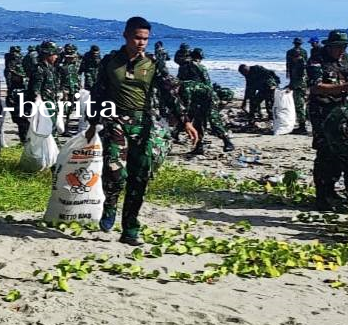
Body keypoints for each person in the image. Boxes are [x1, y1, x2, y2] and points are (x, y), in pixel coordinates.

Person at [86, 17, 197, 245]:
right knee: (115, 172)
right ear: (126, 35)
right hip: (114, 120)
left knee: (140, 177)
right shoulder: (110, 61)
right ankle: (110, 204)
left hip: (143, 123)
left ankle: (130, 230)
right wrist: (92, 123)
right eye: (137, 37)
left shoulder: (153, 64)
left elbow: (169, 92)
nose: (141, 43)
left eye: (145, 39)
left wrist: (185, 121)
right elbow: (98, 93)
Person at [308, 30, 348, 209]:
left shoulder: (346, 59)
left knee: (341, 150)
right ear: (329, 46)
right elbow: (315, 87)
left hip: (342, 110)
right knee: (325, 152)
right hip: (322, 111)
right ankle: (322, 194)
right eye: (338, 47)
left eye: (344, 47)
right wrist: (343, 87)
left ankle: (332, 191)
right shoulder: (317, 59)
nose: (341, 51)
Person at [179, 79, 234, 157]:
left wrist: (186, 119)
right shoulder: (179, 88)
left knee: (214, 121)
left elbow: (186, 105)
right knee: (198, 123)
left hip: (210, 99)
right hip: (199, 102)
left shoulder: (185, 89)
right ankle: (199, 147)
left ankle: (227, 142)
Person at [28, 41, 62, 135]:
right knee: (47, 131)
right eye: (55, 54)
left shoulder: (50, 68)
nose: (56, 57)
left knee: (52, 129)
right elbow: (36, 90)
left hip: (52, 103)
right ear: (49, 54)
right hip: (45, 106)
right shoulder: (39, 69)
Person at [4, 45, 30, 142]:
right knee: (21, 123)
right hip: (16, 102)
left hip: (22, 104)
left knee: (24, 123)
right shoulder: (11, 65)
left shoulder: (24, 84)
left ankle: (24, 140)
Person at [285, 37, 309, 134]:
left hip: (298, 82)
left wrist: (289, 76)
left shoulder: (290, 52)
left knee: (298, 104)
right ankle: (304, 123)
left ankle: (302, 126)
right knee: (304, 103)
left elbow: (288, 65)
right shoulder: (304, 52)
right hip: (302, 81)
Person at [59, 44, 81, 136]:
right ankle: (61, 129)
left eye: (73, 56)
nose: (71, 58)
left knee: (70, 109)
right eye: (69, 57)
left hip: (74, 89)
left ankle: (66, 128)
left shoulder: (76, 64)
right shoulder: (60, 66)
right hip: (65, 89)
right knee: (63, 109)